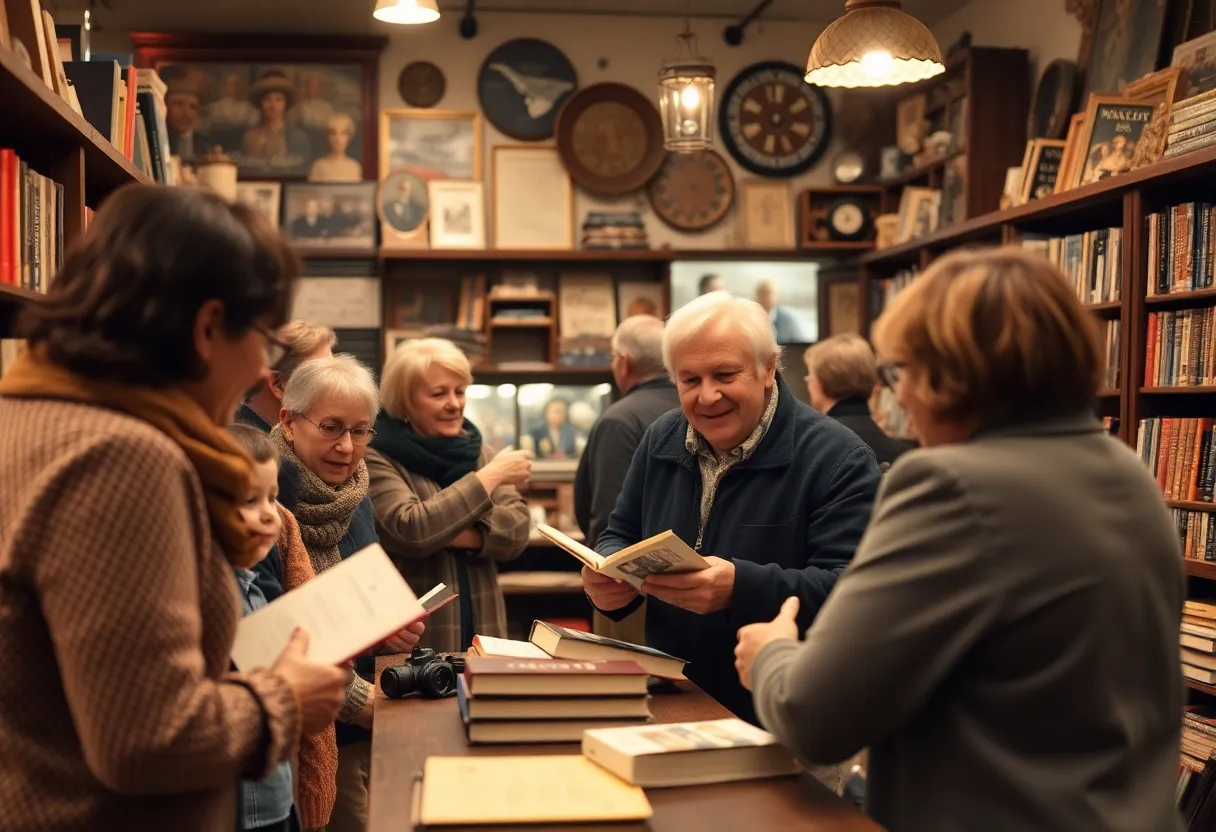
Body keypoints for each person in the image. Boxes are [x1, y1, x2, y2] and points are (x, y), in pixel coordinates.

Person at [735, 248, 1184, 832]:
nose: (900, 400)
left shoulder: (950, 486)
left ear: (950, 376)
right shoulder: (1129, 475)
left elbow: (814, 715)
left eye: (901, 374)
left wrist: (772, 653)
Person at [0, 185, 349, 830]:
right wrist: (286, 700)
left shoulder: (27, 416)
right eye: (264, 340)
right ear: (209, 327)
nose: (260, 371)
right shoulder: (120, 456)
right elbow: (146, 739)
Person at [583, 291, 881, 730]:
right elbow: (620, 530)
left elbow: (855, 594)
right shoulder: (661, 438)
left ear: (768, 369)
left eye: (725, 374)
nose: (707, 396)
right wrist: (609, 576)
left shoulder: (838, 458)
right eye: (689, 380)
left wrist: (740, 588)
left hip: (785, 718)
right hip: (673, 705)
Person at [273, 354, 425, 832]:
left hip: (362, 727)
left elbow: (354, 600)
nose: (346, 447)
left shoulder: (356, 494)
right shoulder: (264, 501)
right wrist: (362, 704)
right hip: (301, 734)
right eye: (332, 427)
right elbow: (274, 637)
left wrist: (389, 630)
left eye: (360, 431)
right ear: (288, 421)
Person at [366, 338, 533, 653]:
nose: (455, 404)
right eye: (438, 393)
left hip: (486, 634)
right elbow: (410, 530)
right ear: (405, 401)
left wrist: (442, 527)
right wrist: (490, 477)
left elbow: (518, 531)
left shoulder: (478, 450)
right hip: (418, 643)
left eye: (460, 391)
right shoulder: (377, 456)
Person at [229, 426, 338, 832]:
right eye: (249, 500)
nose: (269, 513)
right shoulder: (214, 603)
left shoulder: (254, 585)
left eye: (273, 498)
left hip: (278, 792)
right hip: (243, 806)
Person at [574, 315, 679, 547]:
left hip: (638, 576)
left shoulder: (619, 421)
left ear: (624, 363)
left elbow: (609, 519)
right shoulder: (699, 407)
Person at [804, 334, 914, 467]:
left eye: (810, 376)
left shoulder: (811, 447)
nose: (808, 382)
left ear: (821, 383)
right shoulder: (903, 454)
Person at [243, 71, 312, 170]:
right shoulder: (250, 137)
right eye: (267, 99)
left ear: (285, 104)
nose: (273, 105)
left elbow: (302, 170)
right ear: (261, 104)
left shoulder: (299, 138)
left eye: (278, 100)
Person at [309, 111, 362, 182]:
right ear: (327, 137)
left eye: (343, 133)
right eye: (333, 134)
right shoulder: (319, 166)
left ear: (349, 137)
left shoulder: (354, 166)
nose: (338, 139)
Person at [755, 279, 809, 343]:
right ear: (756, 296)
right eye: (762, 294)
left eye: (768, 294)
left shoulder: (788, 318)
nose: (765, 298)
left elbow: (801, 343)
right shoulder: (751, 318)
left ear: (776, 296)